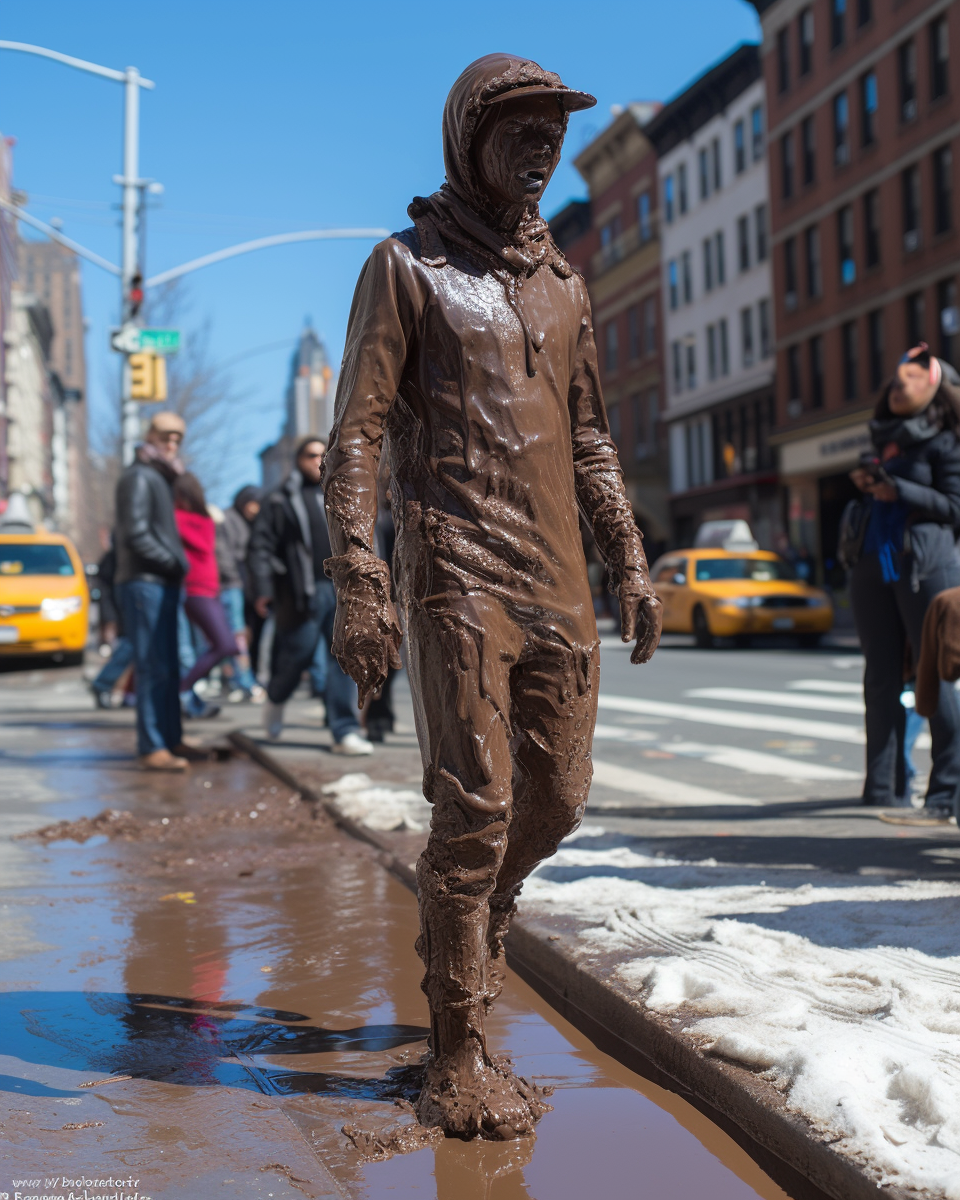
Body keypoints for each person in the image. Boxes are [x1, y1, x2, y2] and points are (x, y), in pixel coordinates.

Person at [321, 54, 661, 1139]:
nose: (544, 145)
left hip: (559, 579)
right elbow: (358, 436)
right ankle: (457, 1051)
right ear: (468, 133)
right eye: (521, 126)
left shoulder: (563, 286)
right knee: (473, 812)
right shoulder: (406, 267)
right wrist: (360, 581)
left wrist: (630, 559)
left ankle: (464, 918)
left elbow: (595, 438)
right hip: (457, 575)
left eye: (554, 130)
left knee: (555, 801)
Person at [846, 345, 960, 821]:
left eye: (910, 378)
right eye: (894, 379)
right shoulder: (884, 440)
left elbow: (955, 507)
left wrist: (900, 490)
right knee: (880, 677)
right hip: (873, 563)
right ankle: (883, 789)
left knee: (936, 674)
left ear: (934, 385)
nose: (897, 384)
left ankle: (946, 792)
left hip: (924, 567)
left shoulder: (945, 440)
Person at [248, 436, 372, 755]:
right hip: (300, 592)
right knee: (297, 655)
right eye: (310, 455)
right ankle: (276, 699)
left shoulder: (343, 494)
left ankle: (344, 731)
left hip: (341, 590)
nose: (317, 461)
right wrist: (263, 589)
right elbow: (260, 548)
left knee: (342, 659)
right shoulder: (278, 499)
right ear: (297, 459)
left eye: (322, 455)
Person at [114, 411, 198, 771]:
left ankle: (170, 738)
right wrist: (175, 562)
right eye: (165, 435)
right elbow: (135, 535)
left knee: (169, 667)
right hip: (144, 583)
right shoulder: (139, 476)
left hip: (160, 582)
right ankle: (152, 745)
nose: (172, 442)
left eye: (178, 437)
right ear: (149, 433)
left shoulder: (161, 478)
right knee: (152, 666)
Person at [172, 473, 240, 699]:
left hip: (211, 589)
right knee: (224, 645)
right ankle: (183, 690)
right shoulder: (176, 518)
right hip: (193, 589)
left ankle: (186, 692)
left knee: (223, 645)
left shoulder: (204, 519)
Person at [218, 485, 264, 701]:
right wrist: (233, 577)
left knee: (241, 635)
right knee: (236, 635)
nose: (255, 509)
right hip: (231, 585)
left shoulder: (252, 523)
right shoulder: (227, 519)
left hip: (247, 587)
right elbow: (222, 553)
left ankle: (238, 681)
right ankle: (244, 682)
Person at [90, 539, 134, 709]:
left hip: (124, 605)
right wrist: (109, 619)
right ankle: (103, 683)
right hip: (122, 608)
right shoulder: (116, 556)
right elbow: (104, 587)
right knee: (132, 646)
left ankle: (129, 693)